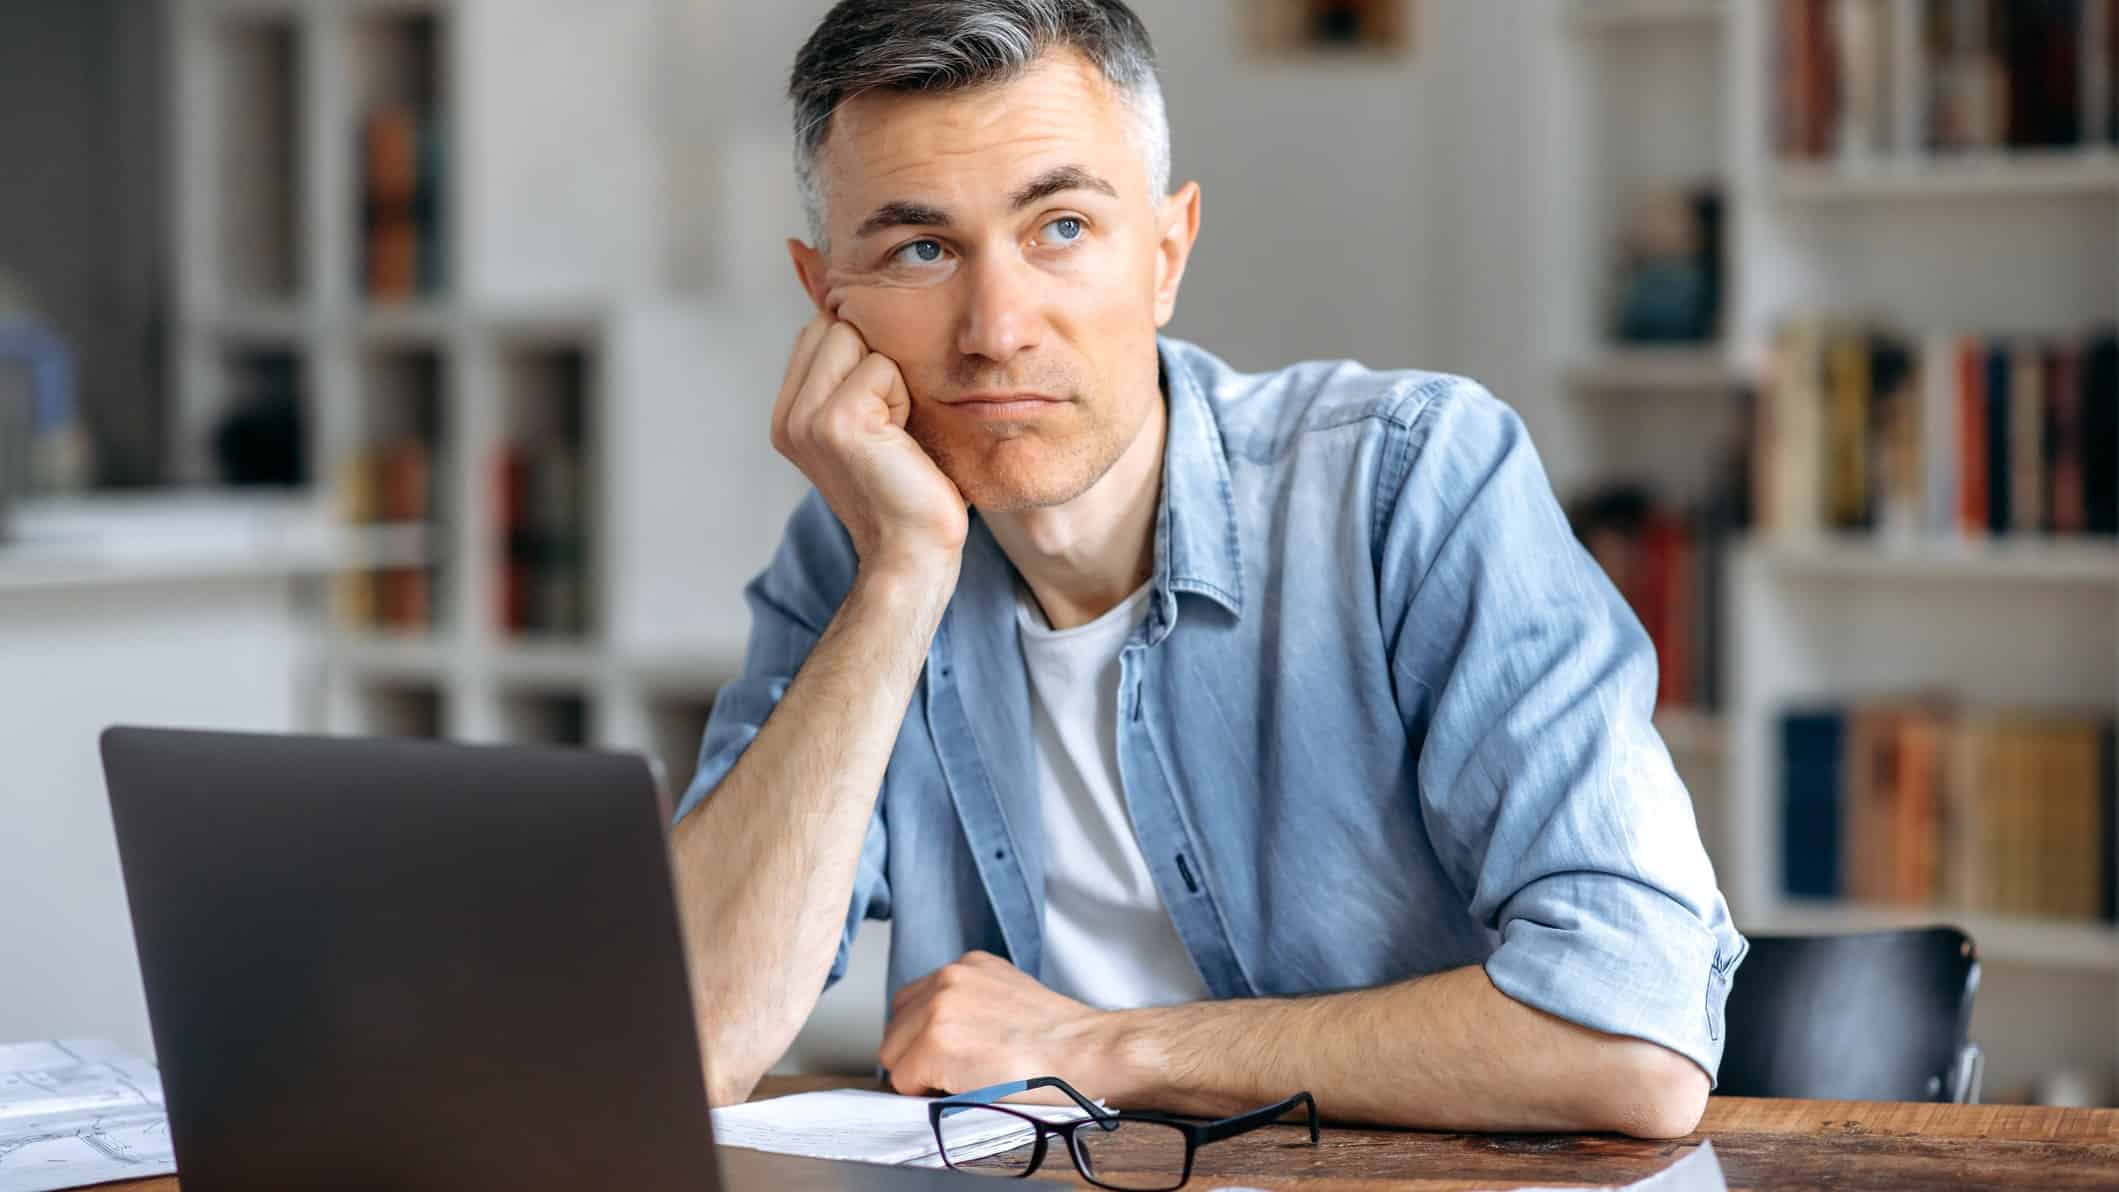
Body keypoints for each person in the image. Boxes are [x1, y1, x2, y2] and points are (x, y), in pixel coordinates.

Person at [670, 0, 1744, 1139]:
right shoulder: (855, 554)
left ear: (1166, 254)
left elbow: (1639, 1032)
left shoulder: (1412, 485)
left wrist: (1099, 1046)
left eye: (1062, 228)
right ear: (825, 298)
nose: (995, 327)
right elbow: (687, 1041)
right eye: (920, 250)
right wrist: (898, 580)